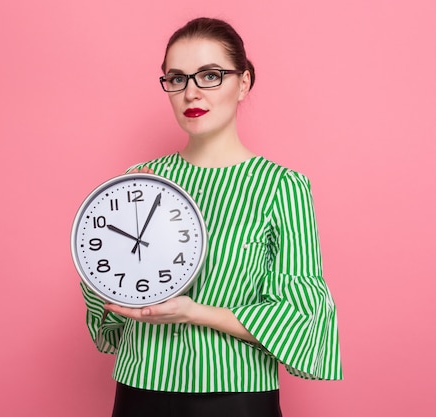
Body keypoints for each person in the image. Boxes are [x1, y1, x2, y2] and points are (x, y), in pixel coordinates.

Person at [79, 17, 342, 417]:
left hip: (236, 397)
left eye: (210, 76)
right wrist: (103, 263)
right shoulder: (140, 182)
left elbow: (301, 316)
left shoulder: (282, 187)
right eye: (177, 78)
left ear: (244, 83)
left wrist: (193, 312)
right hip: (139, 388)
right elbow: (106, 301)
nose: (191, 93)